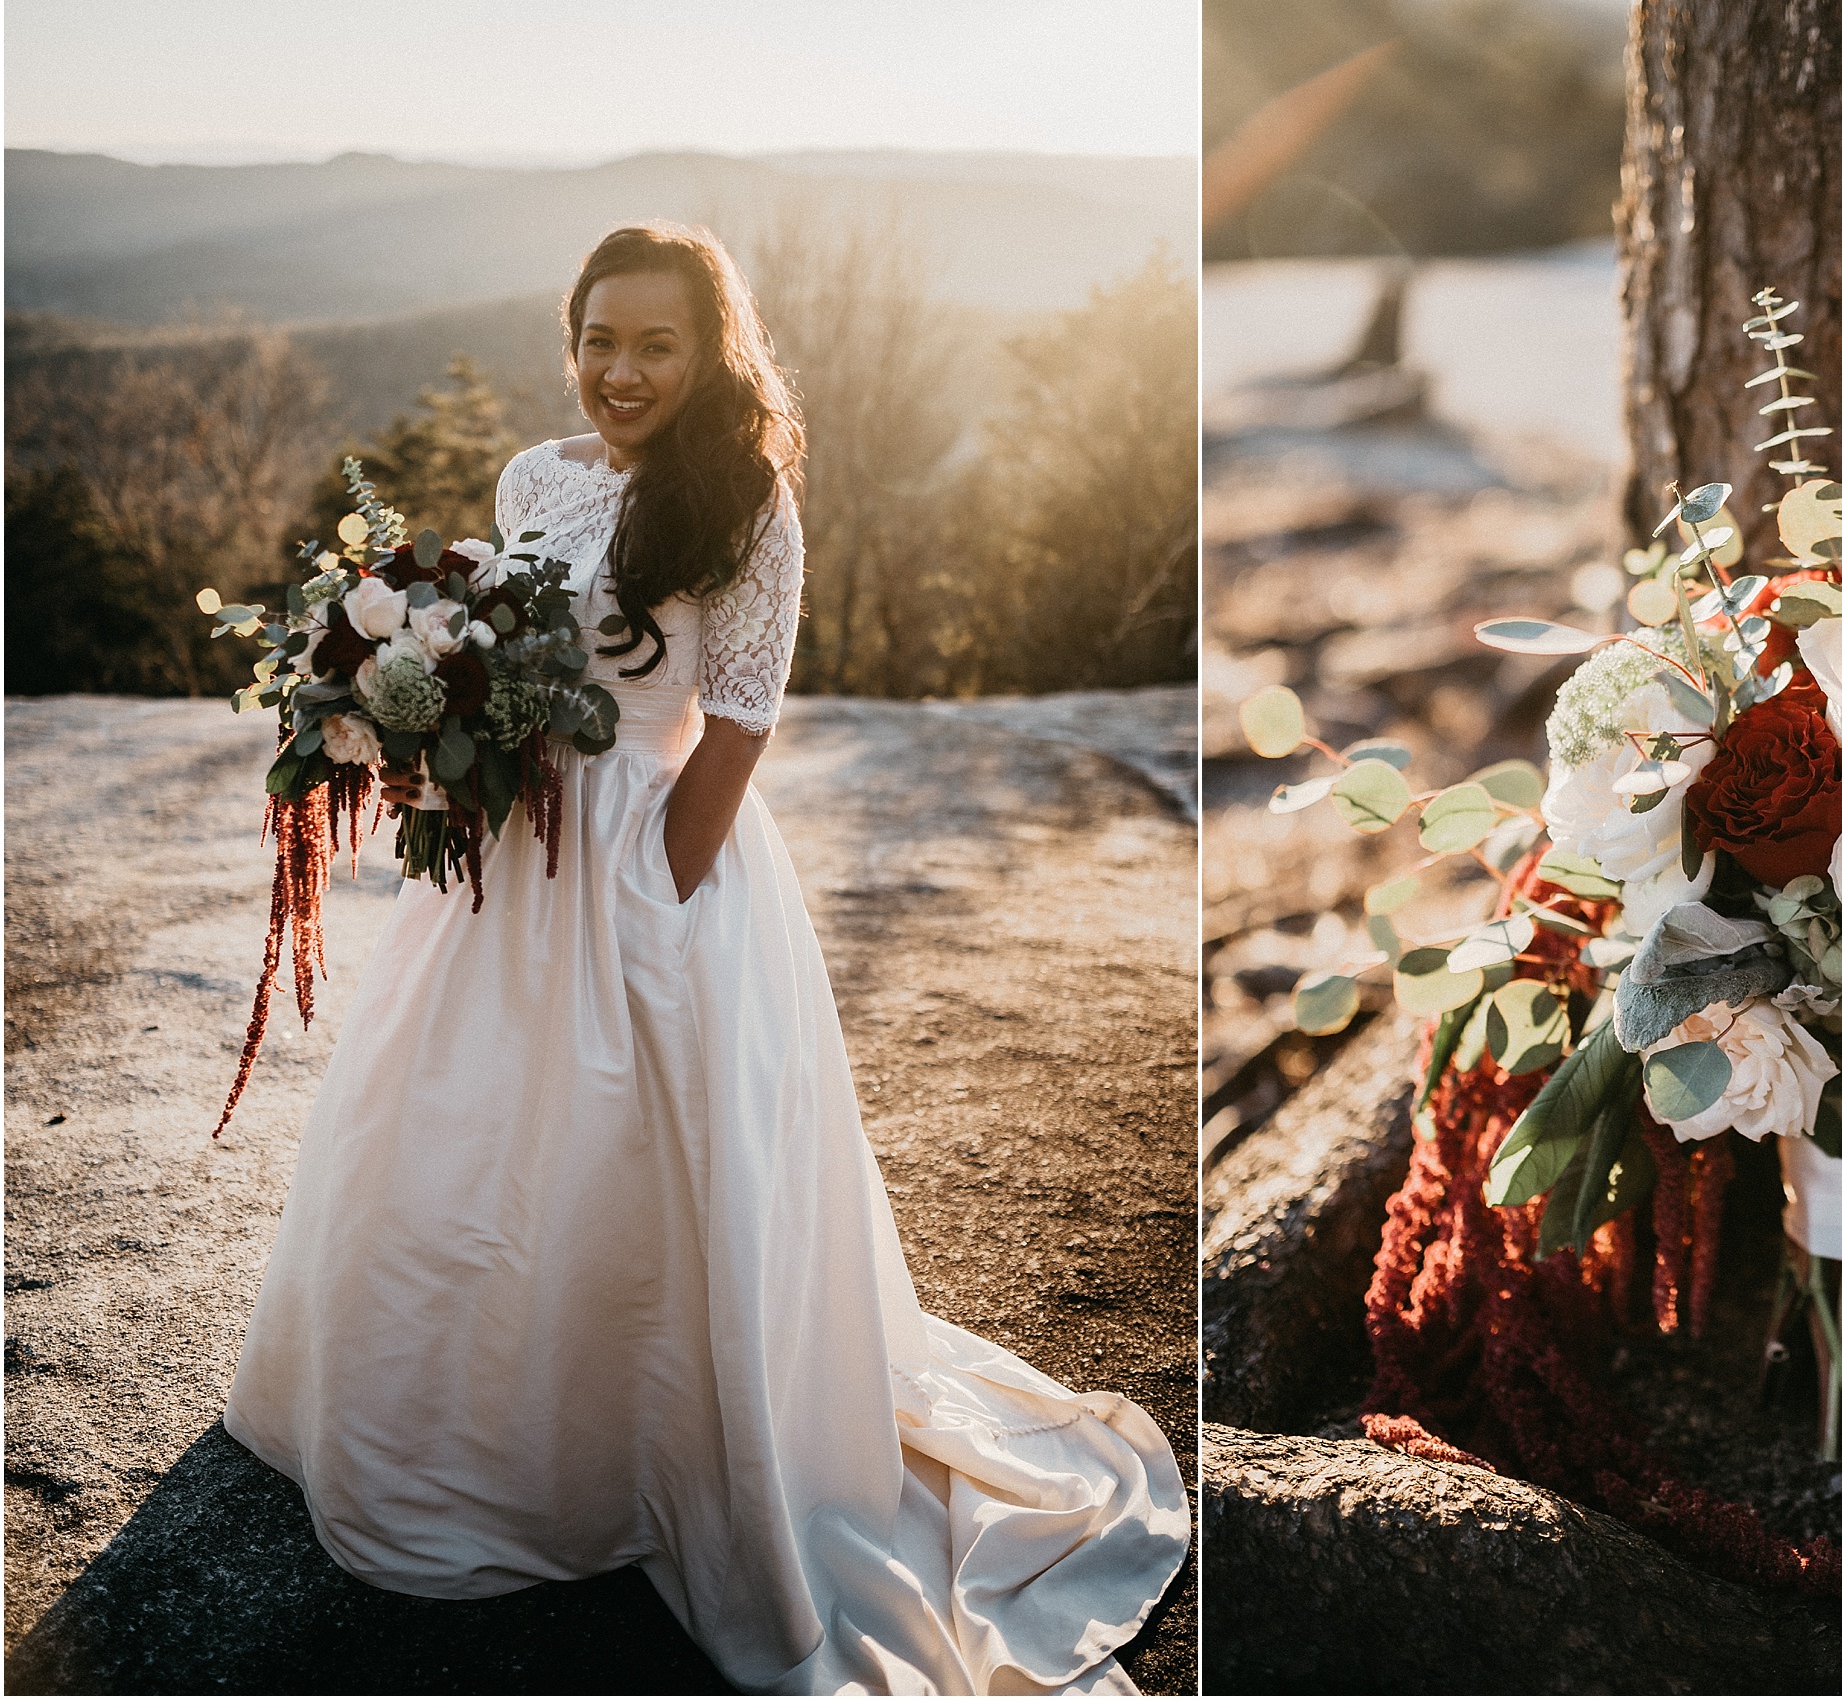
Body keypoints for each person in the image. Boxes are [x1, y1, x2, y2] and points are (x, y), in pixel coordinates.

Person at [224, 222, 1188, 1694]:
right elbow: (502, 663)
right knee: (460, 1143)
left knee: (642, 1161)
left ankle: (635, 1460)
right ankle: (453, 1435)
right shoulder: (534, 479)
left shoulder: (747, 503)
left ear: (709, 350)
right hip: (511, 861)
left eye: (655, 344)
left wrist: (656, 909)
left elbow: (735, 731)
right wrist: (430, 760)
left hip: (655, 857)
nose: (622, 370)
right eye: (600, 338)